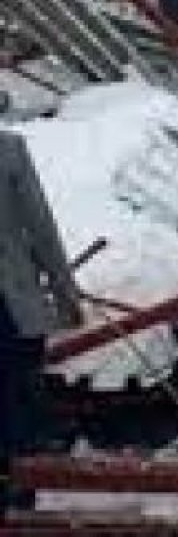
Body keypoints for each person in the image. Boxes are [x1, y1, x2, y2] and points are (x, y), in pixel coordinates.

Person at [0, 131, 83, 515]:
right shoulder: (8, 148)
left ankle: (18, 496)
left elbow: (39, 225)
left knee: (16, 405)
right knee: (18, 404)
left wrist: (64, 293)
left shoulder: (9, 149)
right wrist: (65, 294)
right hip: (14, 305)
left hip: (12, 306)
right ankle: (19, 496)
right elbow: (39, 226)